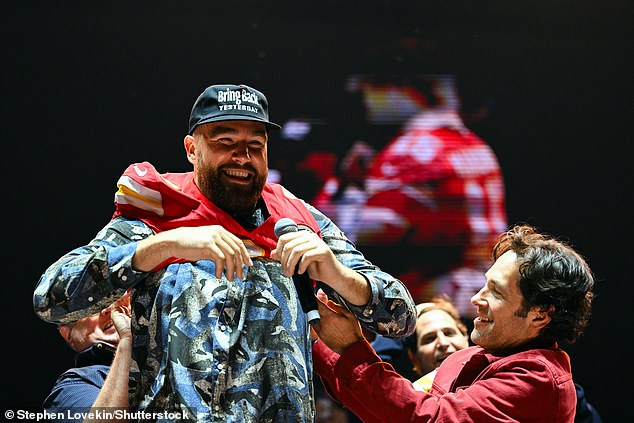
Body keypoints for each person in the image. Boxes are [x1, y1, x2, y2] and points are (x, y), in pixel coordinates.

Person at [33, 83, 416, 422]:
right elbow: (52, 299)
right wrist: (164, 245)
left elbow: (401, 319)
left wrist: (338, 274)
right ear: (191, 149)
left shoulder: (299, 220)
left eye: (255, 145)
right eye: (224, 142)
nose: (242, 157)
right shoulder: (154, 215)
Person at [312, 224, 595, 422]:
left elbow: (423, 418)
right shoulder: (470, 356)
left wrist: (351, 347)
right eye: (485, 285)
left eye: (496, 292)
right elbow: (378, 403)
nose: (475, 299)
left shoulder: (537, 379)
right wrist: (315, 335)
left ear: (540, 314)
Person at [314, 74, 508, 317]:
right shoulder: (474, 144)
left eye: (373, 87)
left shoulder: (410, 151)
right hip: (484, 289)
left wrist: (342, 183)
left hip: (440, 303)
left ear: (403, 90)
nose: (366, 99)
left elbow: (349, 234)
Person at [44, 291, 131, 423]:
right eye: (93, 307)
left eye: (114, 299)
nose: (108, 309)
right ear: (67, 333)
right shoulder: (73, 388)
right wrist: (126, 342)